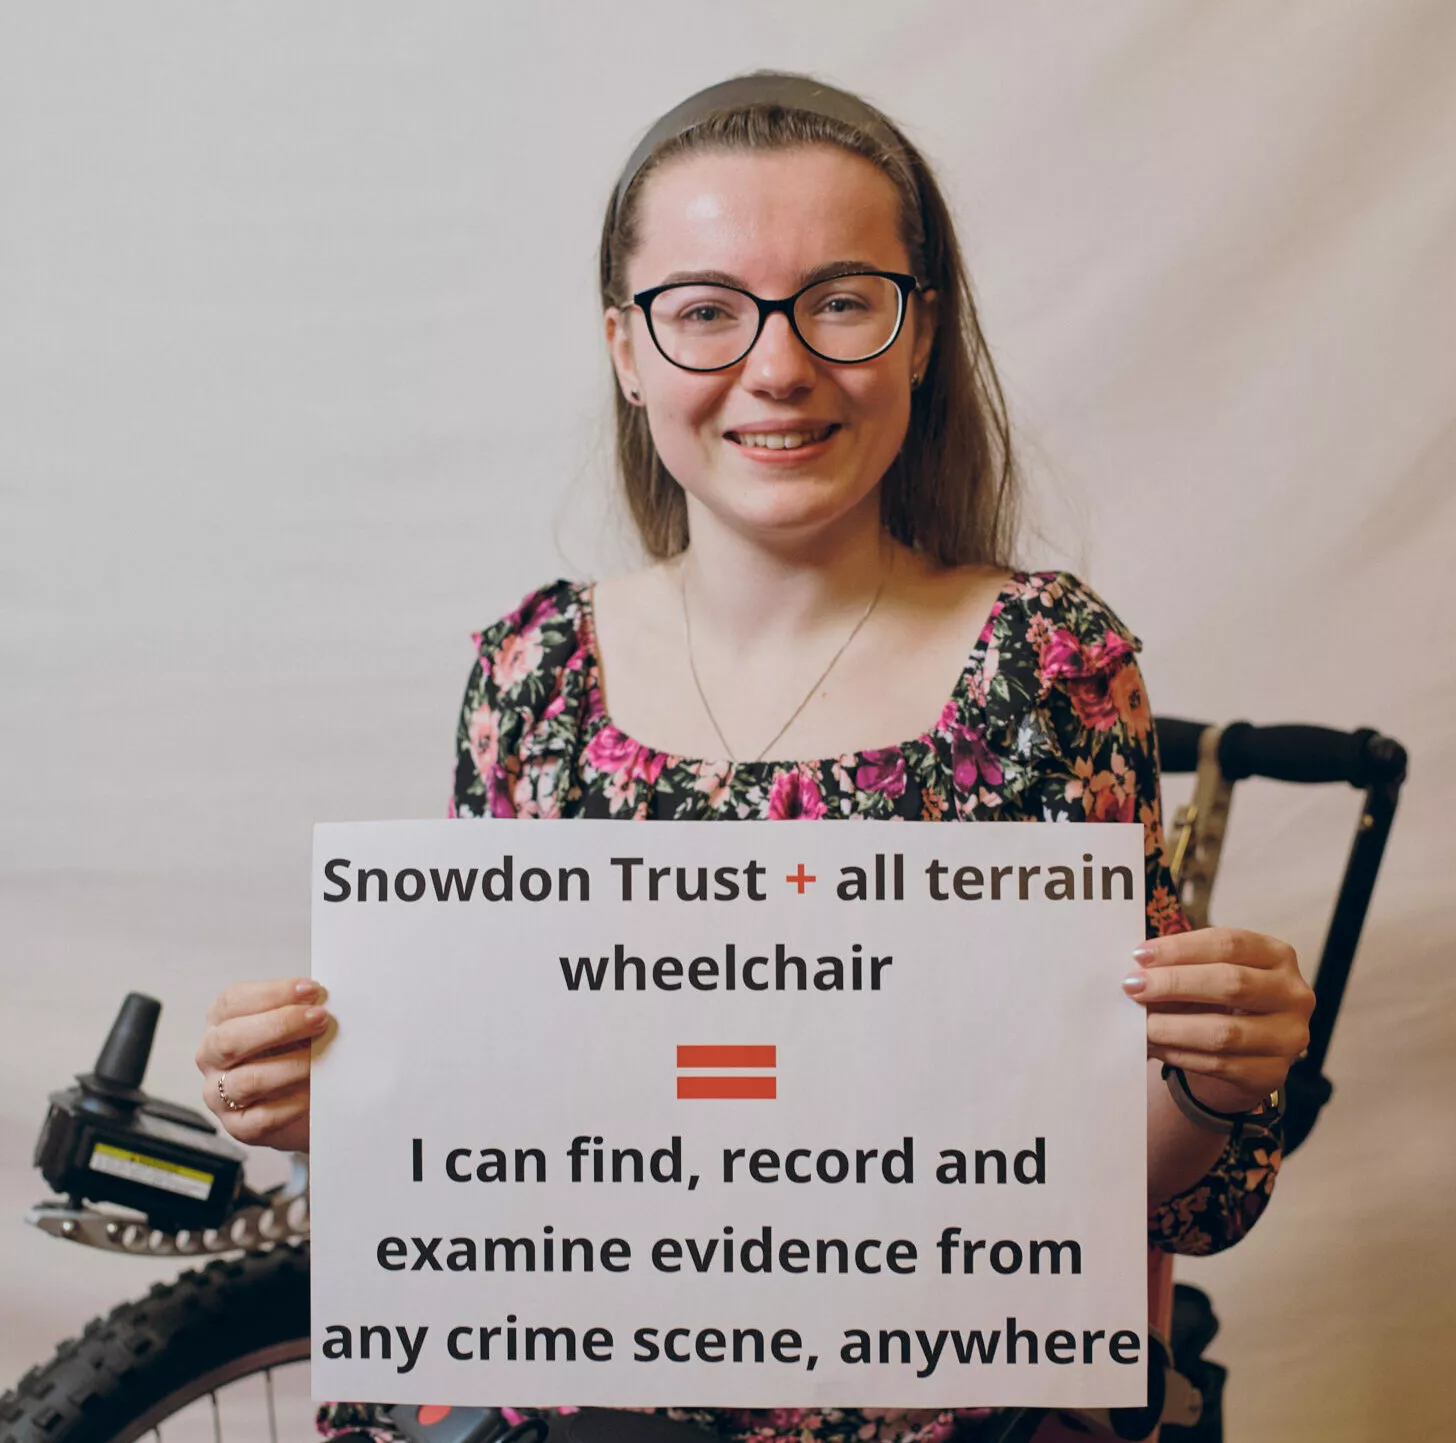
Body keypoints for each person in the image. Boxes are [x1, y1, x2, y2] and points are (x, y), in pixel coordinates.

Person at [194, 72, 1313, 1443]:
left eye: (841, 300)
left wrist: (1212, 1074)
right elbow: (493, 1130)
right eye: (707, 309)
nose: (779, 366)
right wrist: (340, 1101)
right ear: (625, 347)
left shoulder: (1051, 664)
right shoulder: (531, 674)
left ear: (922, 331)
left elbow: (1115, 1187)